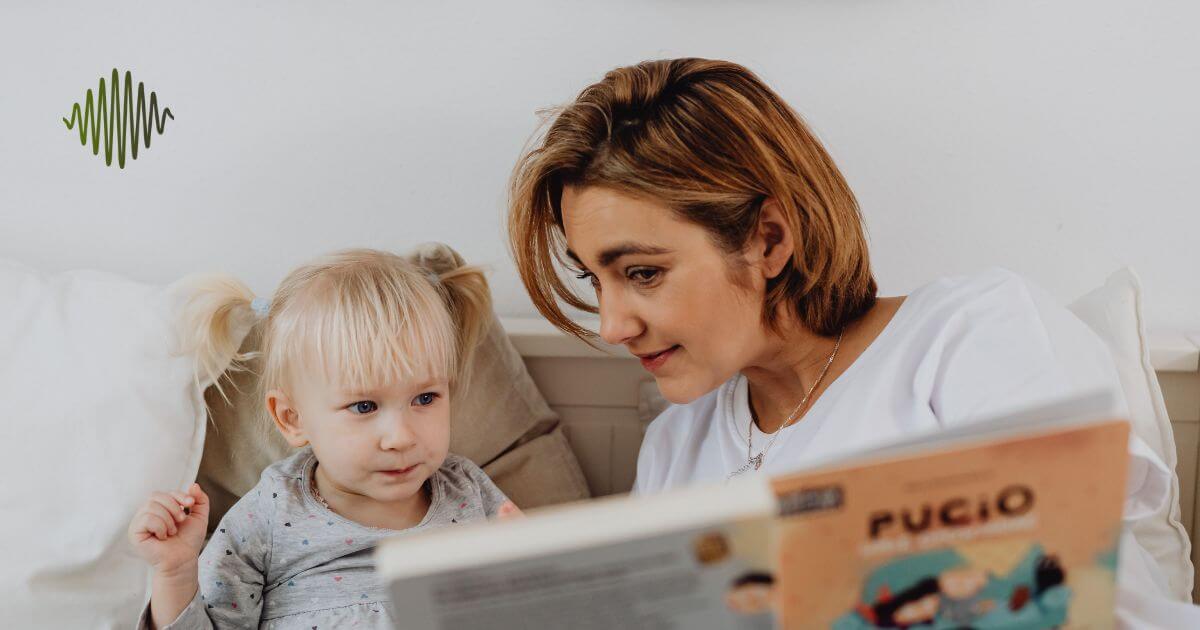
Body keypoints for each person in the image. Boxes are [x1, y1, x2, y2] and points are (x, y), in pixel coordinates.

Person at [507, 57, 1190, 613]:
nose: (613, 324)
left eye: (643, 272)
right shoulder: (676, 447)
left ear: (767, 240)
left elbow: (1058, 591)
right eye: (596, 279)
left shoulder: (974, 334)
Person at [127, 249, 519, 629]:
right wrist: (177, 574)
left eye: (425, 398)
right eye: (364, 407)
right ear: (292, 418)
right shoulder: (270, 515)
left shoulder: (468, 491)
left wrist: (531, 562)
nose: (401, 437)